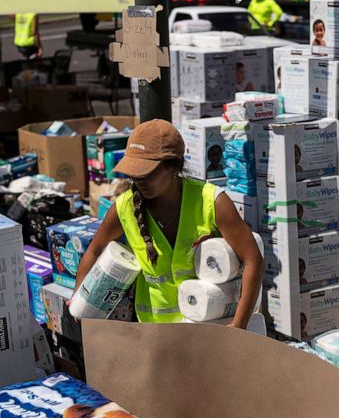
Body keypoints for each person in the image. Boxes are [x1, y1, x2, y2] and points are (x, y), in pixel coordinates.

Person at [72, 120, 263, 328]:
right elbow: (94, 251)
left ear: (174, 167)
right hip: (155, 333)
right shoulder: (124, 208)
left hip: (207, 331)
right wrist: (79, 296)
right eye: (134, 173)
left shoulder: (213, 202)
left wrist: (238, 326)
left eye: (147, 172)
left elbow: (253, 260)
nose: (140, 180)